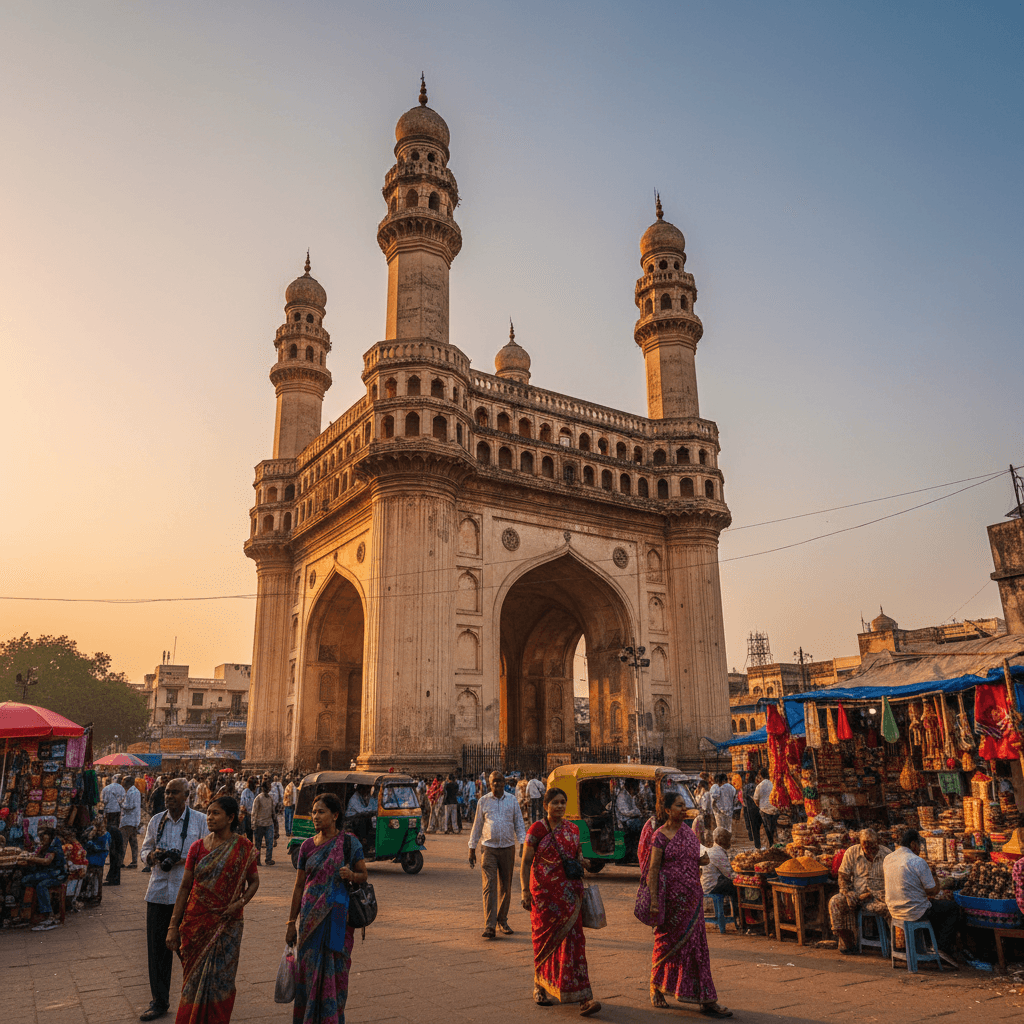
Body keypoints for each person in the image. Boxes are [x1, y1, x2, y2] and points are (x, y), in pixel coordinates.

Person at [166, 796, 259, 1024]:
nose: (210, 818)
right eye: (208, 813)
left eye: (216, 813)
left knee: (222, 981)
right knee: (192, 981)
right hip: (196, 924)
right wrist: (173, 926)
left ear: (230, 818)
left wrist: (241, 902)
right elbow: (185, 887)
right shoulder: (197, 848)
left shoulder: (243, 848)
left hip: (228, 925)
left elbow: (254, 881)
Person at [646, 792, 731, 1017]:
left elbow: (695, 858)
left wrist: (701, 860)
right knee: (665, 943)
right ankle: (656, 986)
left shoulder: (689, 834)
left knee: (698, 947)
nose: (683, 809)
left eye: (684, 805)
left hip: (692, 898)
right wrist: (654, 901)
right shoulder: (660, 836)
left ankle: (706, 998)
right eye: (678, 805)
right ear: (667, 810)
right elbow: (653, 869)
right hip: (670, 900)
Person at [285, 793, 367, 1024]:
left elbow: (363, 874)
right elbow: (299, 885)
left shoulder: (350, 843)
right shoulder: (306, 846)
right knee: (308, 974)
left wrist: (351, 875)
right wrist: (291, 922)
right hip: (310, 920)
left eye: (321, 812)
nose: (315, 817)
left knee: (336, 974)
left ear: (335, 815)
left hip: (338, 919)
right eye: (314, 812)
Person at [520, 787, 601, 1016]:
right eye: (555, 802)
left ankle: (584, 997)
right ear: (545, 805)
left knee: (576, 945)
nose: (559, 806)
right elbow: (526, 863)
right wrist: (525, 891)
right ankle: (539, 986)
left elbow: (576, 857)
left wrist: (586, 863)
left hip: (570, 897)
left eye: (563, 802)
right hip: (544, 898)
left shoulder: (573, 830)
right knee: (544, 944)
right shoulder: (537, 829)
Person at [139, 778, 209, 1021]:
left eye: (174, 792)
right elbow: (144, 850)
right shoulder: (156, 820)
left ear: (187, 795)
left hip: (188, 895)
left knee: (190, 951)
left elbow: (209, 855)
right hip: (158, 893)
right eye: (167, 792)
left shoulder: (200, 821)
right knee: (157, 952)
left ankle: (195, 1000)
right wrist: (152, 857)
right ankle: (159, 1001)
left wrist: (185, 860)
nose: (169, 796)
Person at [883, 828, 959, 964]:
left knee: (933, 906)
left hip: (894, 910)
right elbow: (932, 891)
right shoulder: (917, 861)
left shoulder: (888, 859)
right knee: (952, 908)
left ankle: (929, 946)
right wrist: (934, 875)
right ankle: (942, 948)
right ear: (913, 844)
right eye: (919, 845)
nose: (919, 849)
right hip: (914, 912)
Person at [468, 770, 527, 939]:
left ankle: (502, 920)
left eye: (500, 781)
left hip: (508, 848)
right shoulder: (483, 801)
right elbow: (477, 825)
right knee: (489, 886)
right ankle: (490, 925)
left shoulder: (512, 800)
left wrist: (522, 844)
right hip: (489, 848)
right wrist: (471, 848)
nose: (497, 785)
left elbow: (519, 824)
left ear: (504, 783)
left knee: (506, 887)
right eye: (494, 782)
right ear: (489, 783)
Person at [828, 828, 891, 954]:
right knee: (835, 902)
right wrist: (846, 892)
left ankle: (896, 945)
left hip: (879, 896)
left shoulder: (887, 854)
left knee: (892, 909)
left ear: (878, 842)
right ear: (860, 844)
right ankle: (848, 942)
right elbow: (843, 876)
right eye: (865, 846)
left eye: (872, 846)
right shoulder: (852, 852)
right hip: (856, 894)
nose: (869, 850)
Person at [19, 826, 67, 930]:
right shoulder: (46, 845)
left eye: (43, 835)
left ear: (49, 836)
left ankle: (48, 916)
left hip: (56, 875)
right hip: (49, 873)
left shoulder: (54, 845)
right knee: (27, 880)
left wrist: (32, 858)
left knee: (39, 884)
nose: (41, 838)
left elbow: (47, 861)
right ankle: (34, 912)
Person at [701, 827, 737, 902]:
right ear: (721, 840)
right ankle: (737, 911)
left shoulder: (713, 850)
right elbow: (730, 874)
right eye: (728, 839)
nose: (729, 842)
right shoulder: (718, 852)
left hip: (707, 885)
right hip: (711, 887)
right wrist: (744, 878)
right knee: (736, 885)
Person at [83, 819, 111, 901]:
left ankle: (96, 894)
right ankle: (89, 893)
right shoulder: (92, 832)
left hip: (99, 856)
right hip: (92, 855)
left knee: (95, 876)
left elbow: (104, 849)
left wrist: (92, 844)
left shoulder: (106, 835)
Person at [251, 780, 276, 866]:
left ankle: (268, 859)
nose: (269, 789)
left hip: (269, 824)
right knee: (258, 844)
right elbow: (254, 812)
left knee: (270, 843)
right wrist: (253, 825)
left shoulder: (270, 799)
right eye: (268, 787)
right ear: (263, 788)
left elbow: (273, 812)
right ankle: (257, 860)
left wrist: (275, 825)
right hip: (259, 825)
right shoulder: (258, 798)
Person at [345, 784, 376, 854]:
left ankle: (369, 843)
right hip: (351, 820)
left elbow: (370, 808)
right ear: (361, 789)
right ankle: (364, 840)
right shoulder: (355, 798)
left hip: (359, 817)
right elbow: (361, 810)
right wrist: (372, 811)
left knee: (368, 820)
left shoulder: (363, 797)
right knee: (363, 819)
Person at [122, 775, 143, 869]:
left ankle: (120, 861)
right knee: (133, 842)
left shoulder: (132, 792)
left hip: (129, 821)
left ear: (128, 782)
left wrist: (121, 804)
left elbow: (131, 806)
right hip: (133, 820)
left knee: (124, 842)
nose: (122, 782)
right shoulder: (133, 791)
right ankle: (134, 861)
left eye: (123, 780)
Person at [753, 770, 778, 846]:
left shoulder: (760, 786)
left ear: (761, 776)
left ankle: (771, 843)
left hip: (764, 809)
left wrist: (759, 806)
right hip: (774, 808)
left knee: (767, 827)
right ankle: (774, 843)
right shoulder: (773, 784)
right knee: (774, 826)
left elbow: (756, 799)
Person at [741, 773, 762, 848]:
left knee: (752, 825)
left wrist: (746, 806)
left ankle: (756, 843)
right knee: (759, 825)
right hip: (758, 808)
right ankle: (760, 842)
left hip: (749, 808)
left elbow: (744, 797)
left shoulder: (745, 787)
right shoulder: (757, 786)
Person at [239, 777, 257, 842]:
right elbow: (243, 805)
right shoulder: (245, 792)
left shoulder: (252, 793)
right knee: (247, 834)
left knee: (250, 835)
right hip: (246, 816)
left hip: (251, 816)